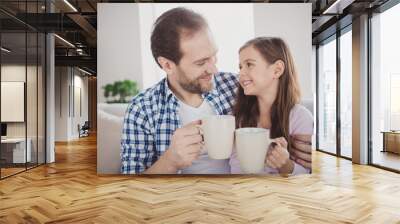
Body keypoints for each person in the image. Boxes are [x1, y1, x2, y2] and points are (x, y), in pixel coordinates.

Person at [120, 7, 312, 174]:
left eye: (213, 57)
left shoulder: (236, 86)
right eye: (201, 62)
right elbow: (129, 186)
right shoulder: (142, 109)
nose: (214, 69)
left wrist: (304, 150)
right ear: (168, 65)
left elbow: (279, 99)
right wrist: (170, 161)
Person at [229, 37, 313, 175]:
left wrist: (285, 165)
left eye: (249, 64)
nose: (241, 73)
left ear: (277, 70)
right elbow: (235, 168)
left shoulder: (300, 118)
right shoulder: (239, 117)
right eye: (240, 67)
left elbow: (307, 176)